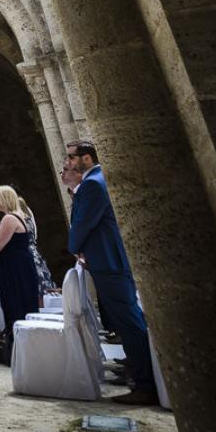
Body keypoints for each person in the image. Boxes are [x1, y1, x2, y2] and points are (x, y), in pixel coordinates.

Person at [67, 140, 157, 405]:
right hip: (107, 258)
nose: (69, 162)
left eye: (72, 157)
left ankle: (145, 382)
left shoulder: (93, 183)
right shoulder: (97, 180)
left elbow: (84, 222)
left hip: (108, 260)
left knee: (129, 321)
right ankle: (136, 370)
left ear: (86, 158)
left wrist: (74, 246)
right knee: (126, 318)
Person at [0, 185, 40, 361]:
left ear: (4, 199)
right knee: (20, 303)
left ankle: (21, 351)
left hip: (14, 268)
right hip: (17, 265)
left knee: (15, 304)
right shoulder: (19, 215)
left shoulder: (9, 218)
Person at [16, 196, 56, 293]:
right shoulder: (29, 219)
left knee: (36, 285)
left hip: (27, 253)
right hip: (34, 252)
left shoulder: (21, 221)